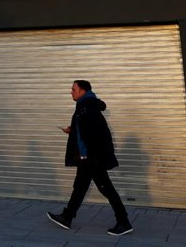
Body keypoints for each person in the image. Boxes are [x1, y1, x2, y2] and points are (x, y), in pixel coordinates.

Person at [47, 80, 133, 237]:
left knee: (106, 188)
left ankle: (124, 222)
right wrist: (72, 130)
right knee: (80, 187)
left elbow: (93, 135)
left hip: (92, 158)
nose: (71, 92)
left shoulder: (87, 108)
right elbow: (85, 130)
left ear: (82, 91)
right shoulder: (86, 106)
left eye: (73, 89)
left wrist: (85, 155)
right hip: (89, 157)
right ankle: (67, 217)